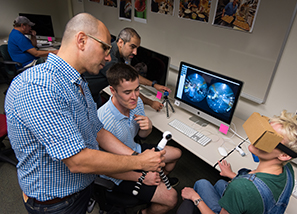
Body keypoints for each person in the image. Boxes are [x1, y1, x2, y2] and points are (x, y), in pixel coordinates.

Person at [5, 13, 166, 214]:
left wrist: (136, 155)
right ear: (81, 41)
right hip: (56, 203)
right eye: (105, 48)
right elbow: (77, 160)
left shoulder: (79, 82)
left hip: (80, 188)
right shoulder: (40, 87)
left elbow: (97, 131)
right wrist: (139, 162)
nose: (108, 57)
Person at [178, 110, 297, 214]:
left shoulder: (241, 188)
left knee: (201, 183)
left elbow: (246, 189)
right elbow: (261, 190)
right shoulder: (288, 170)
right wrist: (232, 174)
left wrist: (195, 197)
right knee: (221, 183)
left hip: (242, 194)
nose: (256, 138)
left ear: (284, 155)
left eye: (268, 138)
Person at [97, 63, 182, 214]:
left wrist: (148, 128)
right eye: (128, 92)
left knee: (176, 153)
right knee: (171, 198)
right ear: (112, 91)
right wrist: (141, 178)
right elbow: (104, 168)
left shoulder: (137, 104)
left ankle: (158, 180)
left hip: (134, 150)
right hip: (117, 169)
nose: (135, 96)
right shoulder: (103, 121)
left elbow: (141, 136)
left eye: (137, 89)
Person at [83, 27, 171, 110]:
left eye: (137, 48)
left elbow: (129, 74)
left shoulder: (117, 53)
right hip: (85, 98)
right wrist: (151, 103)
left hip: (95, 95)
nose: (135, 52)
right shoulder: (110, 58)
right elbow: (128, 86)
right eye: (132, 47)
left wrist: (154, 84)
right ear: (121, 42)